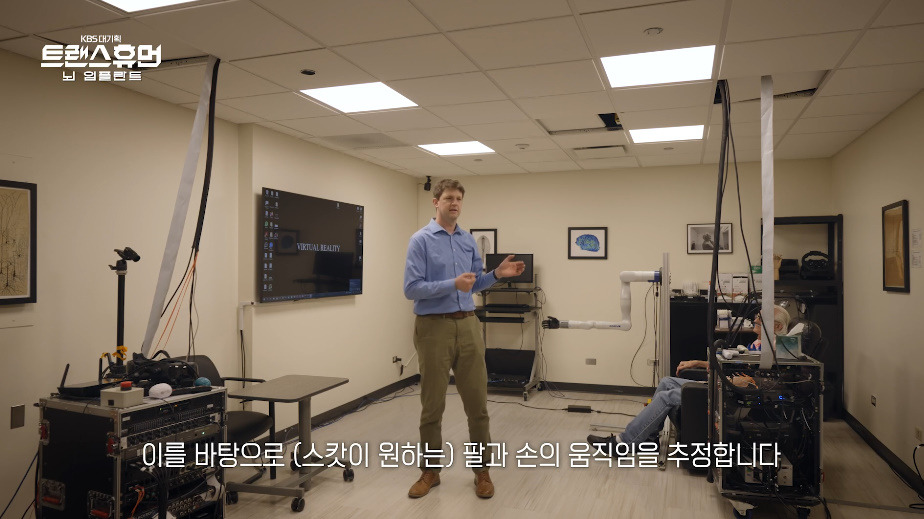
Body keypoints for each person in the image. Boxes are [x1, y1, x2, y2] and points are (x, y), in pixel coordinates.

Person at [403, 179, 525, 499]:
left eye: (458, 198)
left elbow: (473, 284)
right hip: (433, 328)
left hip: (469, 325)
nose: (454, 203)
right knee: (432, 406)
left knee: (477, 405)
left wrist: (496, 275)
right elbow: (411, 289)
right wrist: (451, 284)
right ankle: (430, 471)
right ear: (436, 202)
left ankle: (482, 472)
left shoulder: (468, 240)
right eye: (448, 198)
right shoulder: (420, 240)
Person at [587, 361, 759, 452]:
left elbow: (751, 382)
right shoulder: (756, 344)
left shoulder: (769, 353)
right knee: (666, 382)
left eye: (757, 323)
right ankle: (650, 439)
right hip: (716, 383)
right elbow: (725, 366)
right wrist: (697, 363)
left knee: (665, 397)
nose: (754, 325)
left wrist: (729, 380)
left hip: (724, 394)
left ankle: (623, 442)